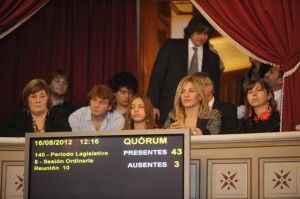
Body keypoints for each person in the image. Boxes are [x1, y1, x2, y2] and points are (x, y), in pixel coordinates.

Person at [147, 15, 221, 123]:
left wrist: (214, 110)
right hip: (169, 108)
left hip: (200, 112)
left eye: (206, 33)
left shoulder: (212, 58)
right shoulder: (171, 46)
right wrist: (152, 105)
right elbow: (157, 76)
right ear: (191, 31)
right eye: (199, 32)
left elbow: (215, 88)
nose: (202, 37)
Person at [1, 79, 71, 137]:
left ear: (48, 99)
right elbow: (5, 133)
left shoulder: (59, 116)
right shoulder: (17, 117)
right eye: (33, 96)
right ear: (27, 100)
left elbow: (63, 135)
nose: (38, 100)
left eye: (42, 96)